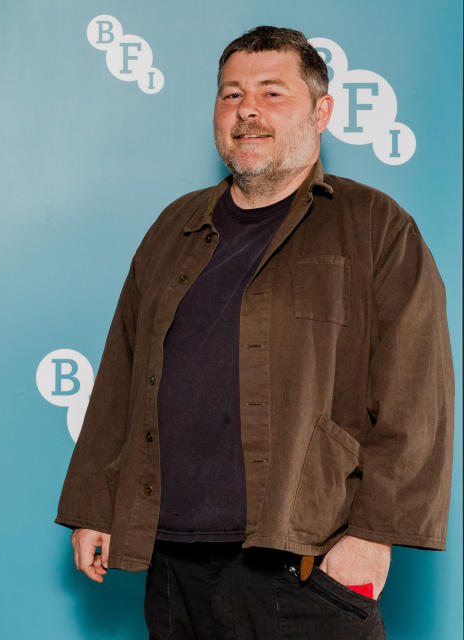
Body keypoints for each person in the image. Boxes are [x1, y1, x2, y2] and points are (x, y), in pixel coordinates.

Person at [56, 26, 452, 639]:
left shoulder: (376, 226)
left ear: (322, 111)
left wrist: (372, 539)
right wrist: (94, 508)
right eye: (231, 94)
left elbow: (417, 396)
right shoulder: (174, 226)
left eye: (272, 93)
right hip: (171, 562)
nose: (247, 110)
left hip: (306, 564)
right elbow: (121, 375)